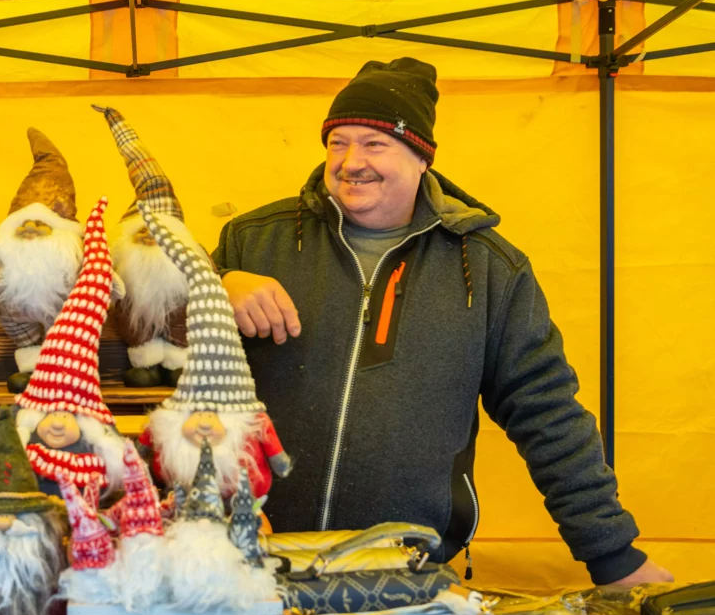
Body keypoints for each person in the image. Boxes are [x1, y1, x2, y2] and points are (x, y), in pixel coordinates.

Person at [211, 57, 673, 587]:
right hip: (251, 560)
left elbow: (548, 415)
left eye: (374, 143)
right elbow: (151, 339)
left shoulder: (489, 269)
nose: (350, 161)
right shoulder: (254, 241)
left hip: (410, 570)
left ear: (420, 157)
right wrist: (216, 284)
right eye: (337, 142)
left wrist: (612, 555)